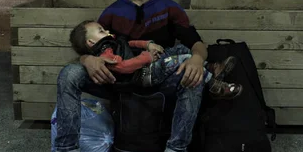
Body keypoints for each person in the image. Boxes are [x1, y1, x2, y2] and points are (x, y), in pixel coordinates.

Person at [33, 0, 209, 152]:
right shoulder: (113, 12)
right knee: (69, 74)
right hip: (117, 80)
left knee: (193, 76)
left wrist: (198, 59)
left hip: (156, 80)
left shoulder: (167, 7)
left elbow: (196, 42)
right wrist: (87, 60)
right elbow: (91, 43)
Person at [69, 20, 241, 97]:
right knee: (185, 58)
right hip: (143, 76)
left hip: (148, 66)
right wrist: (146, 57)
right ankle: (215, 86)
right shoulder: (105, 52)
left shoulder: (112, 42)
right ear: (91, 42)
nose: (106, 32)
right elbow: (122, 67)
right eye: (101, 31)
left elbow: (129, 44)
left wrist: (147, 44)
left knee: (180, 49)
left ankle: (211, 68)